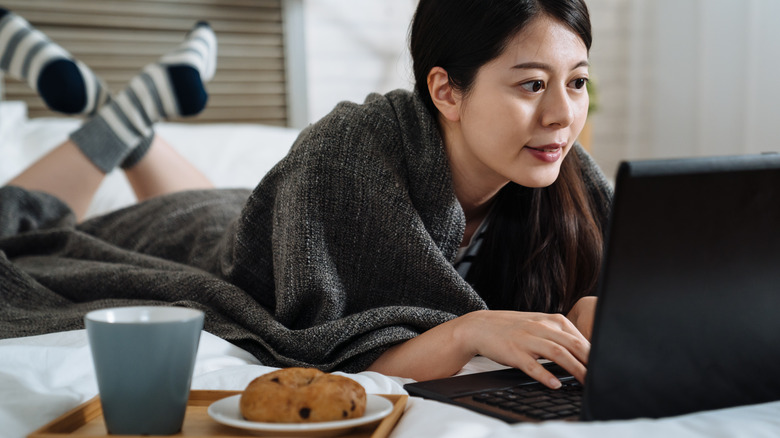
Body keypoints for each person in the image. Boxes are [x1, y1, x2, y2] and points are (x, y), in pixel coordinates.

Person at [0, 0, 611, 390]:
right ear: (446, 92)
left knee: (220, 206)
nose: (562, 114)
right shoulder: (349, 152)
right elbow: (317, 350)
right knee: (18, 228)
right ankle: (122, 119)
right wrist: (467, 332)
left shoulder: (565, 173)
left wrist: (598, 305)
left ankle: (135, 110)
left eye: (577, 82)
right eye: (531, 84)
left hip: (237, 208)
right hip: (207, 245)